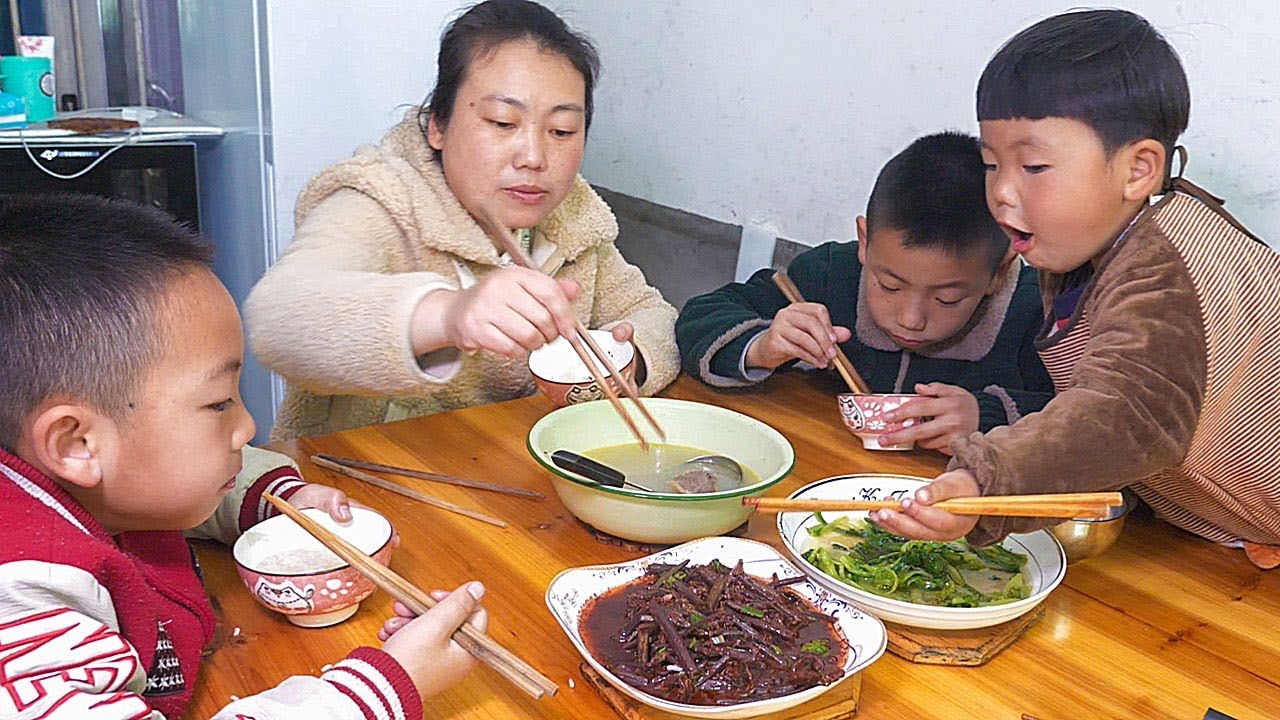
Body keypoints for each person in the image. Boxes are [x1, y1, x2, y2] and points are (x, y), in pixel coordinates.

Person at [0, 194, 486, 719]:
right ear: (75, 443)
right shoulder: (26, 601)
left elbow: (164, 479)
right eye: (218, 403)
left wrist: (280, 499)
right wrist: (384, 688)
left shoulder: (81, 479)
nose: (248, 426)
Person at [873, 10, 1280, 569]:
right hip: (1233, 524)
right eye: (993, 165)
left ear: (1138, 171)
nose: (1002, 193)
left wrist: (982, 478)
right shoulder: (1083, 243)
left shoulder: (1168, 264)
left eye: (1034, 166)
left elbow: (1130, 414)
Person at [246, 0, 678, 441]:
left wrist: (626, 359)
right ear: (437, 125)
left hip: (512, 473)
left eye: (562, 131)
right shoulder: (382, 198)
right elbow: (277, 318)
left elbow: (652, 315)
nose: (533, 157)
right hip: (352, 489)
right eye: (502, 122)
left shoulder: (572, 220)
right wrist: (448, 314)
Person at [677, 132, 1053, 452]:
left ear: (999, 272)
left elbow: (1089, 421)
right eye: (889, 285)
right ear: (865, 242)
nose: (910, 318)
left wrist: (985, 417)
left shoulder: (1037, 314)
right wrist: (762, 345)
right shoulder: (829, 277)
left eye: (947, 298)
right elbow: (698, 319)